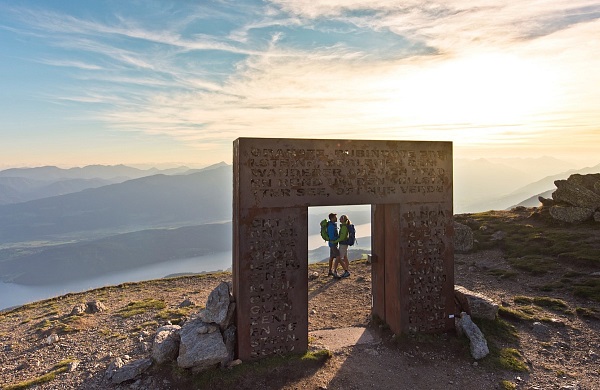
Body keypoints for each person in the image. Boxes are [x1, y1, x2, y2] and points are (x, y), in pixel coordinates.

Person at [326, 213, 340, 277]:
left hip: (332, 244)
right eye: (335, 217)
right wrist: (339, 238)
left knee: (331, 257)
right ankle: (335, 272)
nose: (336, 218)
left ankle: (330, 271)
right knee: (338, 256)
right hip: (333, 243)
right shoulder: (331, 226)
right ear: (332, 218)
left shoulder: (332, 225)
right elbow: (332, 237)